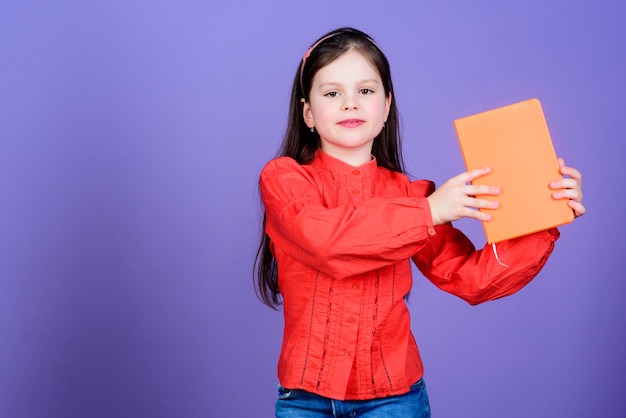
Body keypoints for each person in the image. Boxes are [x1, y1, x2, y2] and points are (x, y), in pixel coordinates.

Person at [254, 27, 585, 418]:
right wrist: (429, 212)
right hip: (305, 399)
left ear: (387, 105)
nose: (350, 104)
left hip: (396, 399)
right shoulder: (283, 179)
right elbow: (326, 241)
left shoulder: (415, 196)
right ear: (308, 112)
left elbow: (471, 278)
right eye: (331, 93)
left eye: (365, 91)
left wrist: (544, 214)